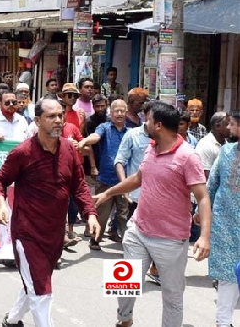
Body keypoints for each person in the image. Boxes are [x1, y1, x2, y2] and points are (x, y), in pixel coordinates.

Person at [93, 101, 211, 327]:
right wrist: (108, 193)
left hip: (171, 239)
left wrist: (204, 236)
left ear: (158, 124)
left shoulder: (188, 156)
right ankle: (124, 319)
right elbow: (138, 178)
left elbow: (203, 197)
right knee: (123, 284)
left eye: (147, 119)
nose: (143, 122)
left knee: (172, 296)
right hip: (138, 230)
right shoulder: (151, 146)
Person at [0, 97, 100, 327]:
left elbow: (79, 186)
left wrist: (90, 213)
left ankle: (12, 320)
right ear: (38, 121)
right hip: (27, 233)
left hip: (54, 235)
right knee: (42, 291)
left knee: (37, 280)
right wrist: (2, 204)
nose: (58, 120)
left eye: (60, 115)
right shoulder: (22, 152)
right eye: (52, 116)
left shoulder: (70, 150)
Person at [78, 99, 130, 249]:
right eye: (116, 111)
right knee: (102, 212)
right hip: (106, 179)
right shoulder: (104, 128)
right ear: (111, 113)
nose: (119, 113)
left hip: (124, 181)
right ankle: (95, 239)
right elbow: (96, 136)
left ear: (126, 113)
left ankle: (129, 244)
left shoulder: (130, 133)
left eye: (122, 111)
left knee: (124, 214)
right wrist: (85, 141)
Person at [206, 110, 240, 327]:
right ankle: (223, 322)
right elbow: (212, 184)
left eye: (233, 124)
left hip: (226, 223)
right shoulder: (226, 151)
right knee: (228, 276)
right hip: (225, 224)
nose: (229, 128)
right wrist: (203, 212)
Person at [195, 112, 229, 178]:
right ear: (218, 126)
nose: (230, 127)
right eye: (227, 124)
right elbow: (207, 177)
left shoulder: (226, 143)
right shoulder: (206, 145)